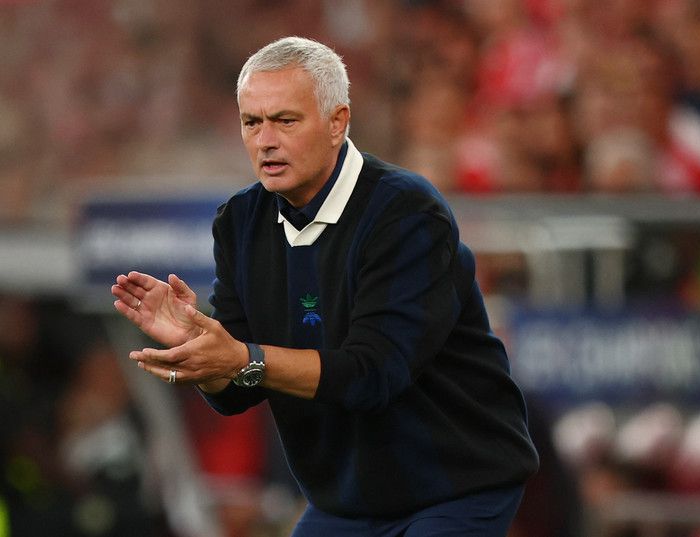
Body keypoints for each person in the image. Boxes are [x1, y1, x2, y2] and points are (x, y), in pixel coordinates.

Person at [111, 36, 538, 537]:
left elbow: (373, 374)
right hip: (345, 502)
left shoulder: (406, 212)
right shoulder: (240, 221)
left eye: (285, 121)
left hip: (454, 486)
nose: (265, 141)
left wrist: (243, 357)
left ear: (338, 123)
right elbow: (236, 393)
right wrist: (202, 350)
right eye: (252, 122)